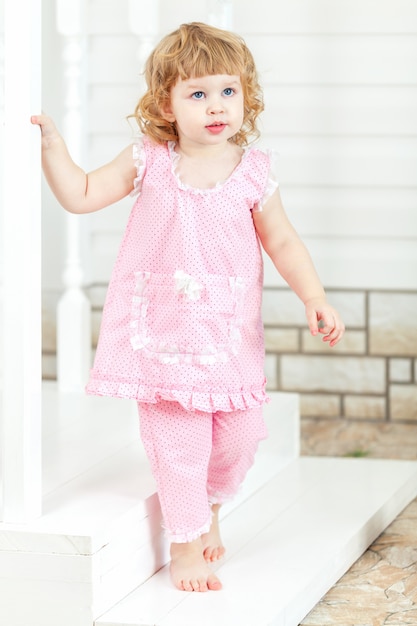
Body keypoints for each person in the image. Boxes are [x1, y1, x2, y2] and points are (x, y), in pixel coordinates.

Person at [31, 21, 345, 593]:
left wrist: (314, 296)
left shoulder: (254, 172)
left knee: (242, 435)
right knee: (180, 444)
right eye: (196, 94)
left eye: (227, 90)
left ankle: (210, 504)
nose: (215, 106)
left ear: (245, 94)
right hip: (164, 339)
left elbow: (283, 242)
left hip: (227, 337)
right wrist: (53, 148)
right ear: (166, 104)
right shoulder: (148, 160)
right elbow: (80, 195)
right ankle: (184, 543)